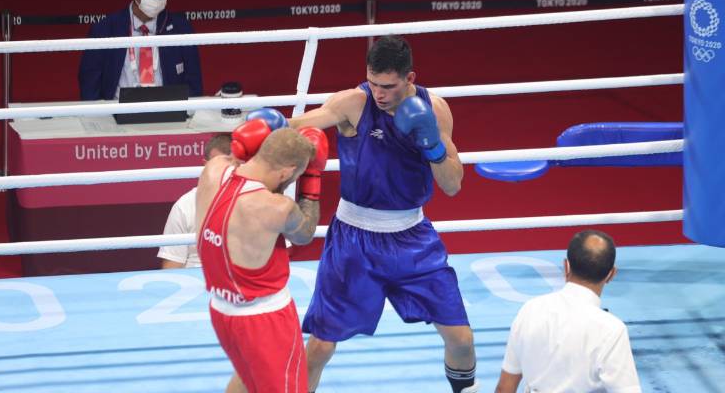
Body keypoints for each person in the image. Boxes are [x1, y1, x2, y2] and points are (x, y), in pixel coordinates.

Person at [249, 35, 478, 393]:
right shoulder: (353, 103)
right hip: (354, 239)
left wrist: (431, 145)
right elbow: (302, 124)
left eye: (388, 86)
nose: (379, 94)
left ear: (409, 78)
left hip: (412, 237)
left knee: (462, 338)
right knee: (321, 346)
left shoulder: (434, 109)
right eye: (373, 83)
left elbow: (452, 185)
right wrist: (266, 127)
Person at [196, 119, 329, 392]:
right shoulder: (276, 208)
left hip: (222, 311)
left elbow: (245, 169)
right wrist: (311, 178)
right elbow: (303, 234)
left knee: (247, 377)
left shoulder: (214, 169)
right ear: (287, 172)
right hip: (265, 320)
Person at [495, 230, 642, 393]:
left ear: (566, 266)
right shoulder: (611, 329)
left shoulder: (530, 309)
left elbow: (504, 388)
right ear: (611, 274)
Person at [78, 0, 203, 100]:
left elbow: (194, 86)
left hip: (168, 113)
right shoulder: (105, 29)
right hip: (116, 114)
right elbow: (89, 85)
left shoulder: (181, 28)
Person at [157, 134, 232, 269]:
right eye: (218, 166)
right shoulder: (185, 206)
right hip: (195, 283)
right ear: (205, 165)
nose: (225, 172)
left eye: (232, 166)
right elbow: (171, 268)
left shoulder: (256, 201)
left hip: (243, 284)